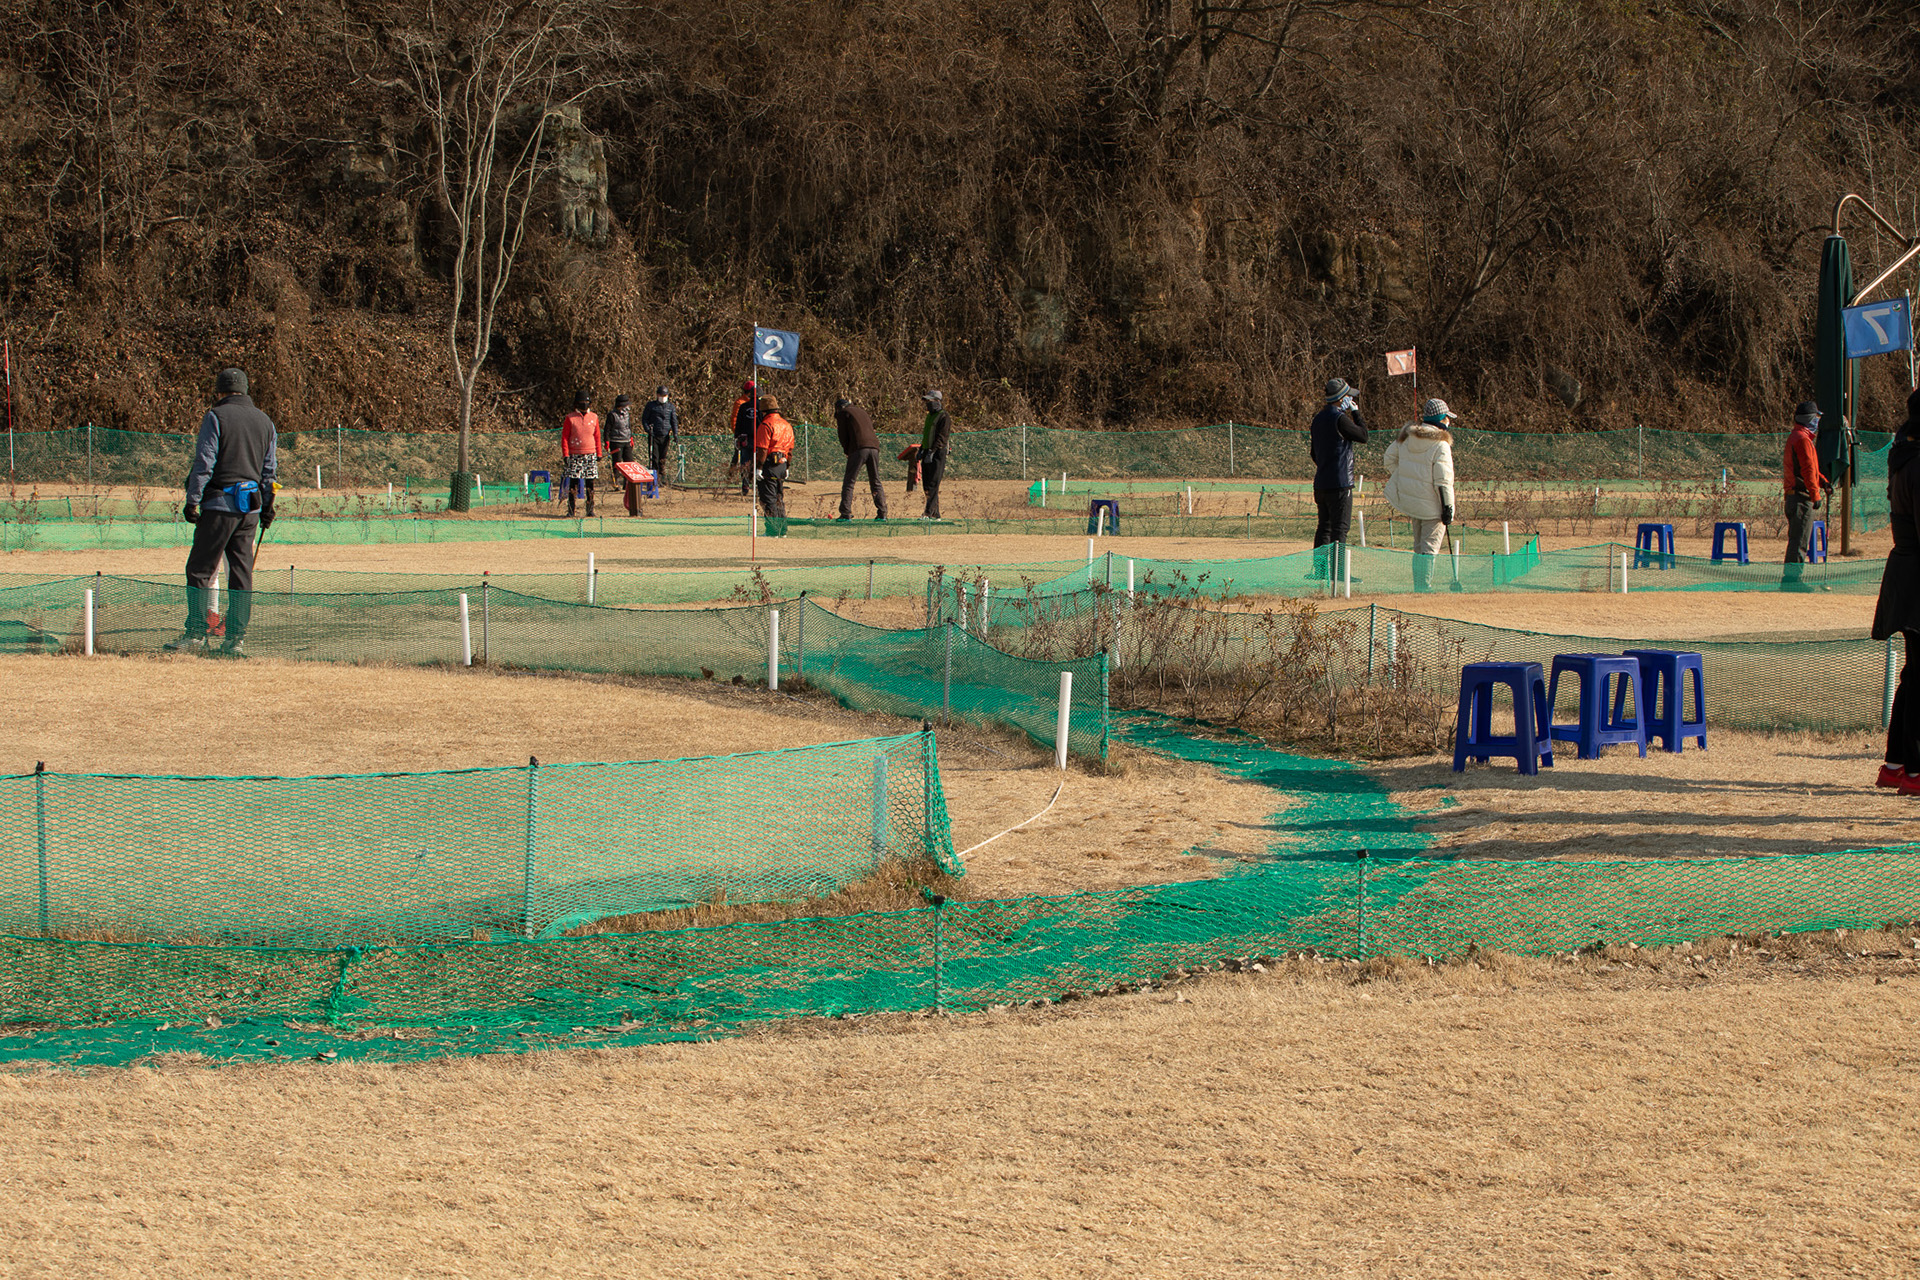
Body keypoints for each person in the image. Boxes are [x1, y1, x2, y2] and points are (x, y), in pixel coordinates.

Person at [164, 367, 277, 655]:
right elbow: (269, 470)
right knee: (241, 574)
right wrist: (267, 506)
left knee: (200, 570)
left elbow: (205, 461)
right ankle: (236, 640)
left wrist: (192, 499)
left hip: (218, 506)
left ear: (220, 391)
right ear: (246, 389)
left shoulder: (216, 416)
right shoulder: (265, 422)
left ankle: (196, 635)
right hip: (249, 510)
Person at [1873, 388, 1920, 792]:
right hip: (1918, 579)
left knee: (1914, 675)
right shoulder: (1919, 465)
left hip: (1907, 576)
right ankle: (1914, 769)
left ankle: (1895, 765)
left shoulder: (1904, 456)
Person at [1383, 398, 1458, 593]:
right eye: (1447, 417)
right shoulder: (1441, 444)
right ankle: (1424, 587)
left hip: (1413, 502)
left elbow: (1389, 459)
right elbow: (1443, 481)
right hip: (1433, 506)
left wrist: (1407, 480)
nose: (1449, 421)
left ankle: (1419, 585)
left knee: (1418, 547)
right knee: (1429, 548)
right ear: (1442, 418)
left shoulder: (1408, 437)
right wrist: (1448, 507)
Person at [1308, 377, 1369, 574]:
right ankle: (1339, 572)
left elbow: (1313, 454)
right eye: (1348, 398)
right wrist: (1356, 413)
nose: (1350, 401)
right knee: (1340, 529)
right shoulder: (1340, 418)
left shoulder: (1317, 419)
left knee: (1323, 528)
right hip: (1341, 483)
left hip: (1321, 482)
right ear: (1341, 398)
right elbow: (1363, 436)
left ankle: (1319, 571)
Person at [1783, 399, 1829, 590]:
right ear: (1809, 418)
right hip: (1801, 498)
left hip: (1793, 496)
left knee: (1796, 539)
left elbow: (1810, 469)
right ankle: (1792, 581)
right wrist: (1816, 495)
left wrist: (1823, 482)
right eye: (1816, 417)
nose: (1817, 421)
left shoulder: (1796, 436)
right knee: (1799, 541)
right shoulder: (1803, 440)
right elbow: (1808, 471)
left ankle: (1790, 580)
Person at [834, 396, 888, 521]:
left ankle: (845, 513)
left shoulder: (843, 413)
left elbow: (842, 435)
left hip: (859, 448)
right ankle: (882, 513)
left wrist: (847, 450)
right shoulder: (861, 411)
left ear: (838, 408)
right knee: (875, 480)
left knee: (849, 481)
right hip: (874, 447)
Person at [754, 394, 796, 520]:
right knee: (779, 497)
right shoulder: (787, 425)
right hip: (782, 465)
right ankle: (782, 529)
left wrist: (758, 467)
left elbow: (762, 449)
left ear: (763, 411)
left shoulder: (766, 425)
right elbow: (790, 449)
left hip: (769, 464)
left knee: (768, 498)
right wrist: (787, 466)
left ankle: (773, 529)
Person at [560, 390, 601, 517]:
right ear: (576, 404)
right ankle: (571, 510)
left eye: (587, 402)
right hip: (575, 454)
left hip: (590, 454)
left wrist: (599, 452)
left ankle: (590, 509)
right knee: (574, 483)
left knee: (590, 484)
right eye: (582, 402)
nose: (584, 405)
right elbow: (565, 437)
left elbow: (597, 436)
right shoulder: (570, 418)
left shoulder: (594, 417)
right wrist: (566, 454)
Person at [915, 389, 951, 519]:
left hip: (937, 453)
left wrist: (932, 451)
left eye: (930, 401)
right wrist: (922, 450)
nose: (927, 404)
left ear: (937, 401)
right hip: (927, 451)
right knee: (927, 484)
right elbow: (926, 436)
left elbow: (942, 437)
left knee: (933, 483)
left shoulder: (944, 416)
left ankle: (928, 513)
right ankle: (935, 514)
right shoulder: (929, 416)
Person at [642, 384, 678, 481]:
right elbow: (644, 419)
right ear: (657, 395)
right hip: (654, 435)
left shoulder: (670, 407)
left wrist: (675, 434)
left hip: (665, 435)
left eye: (665, 396)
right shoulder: (651, 406)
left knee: (663, 458)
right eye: (661, 395)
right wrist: (648, 430)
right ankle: (655, 478)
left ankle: (662, 477)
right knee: (654, 457)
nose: (663, 398)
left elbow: (674, 421)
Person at [731, 381, 757, 496]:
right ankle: (736, 479)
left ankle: (751, 482)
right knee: (741, 460)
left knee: (752, 461)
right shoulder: (740, 403)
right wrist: (737, 434)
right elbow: (735, 420)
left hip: (755, 438)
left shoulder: (756, 404)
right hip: (744, 438)